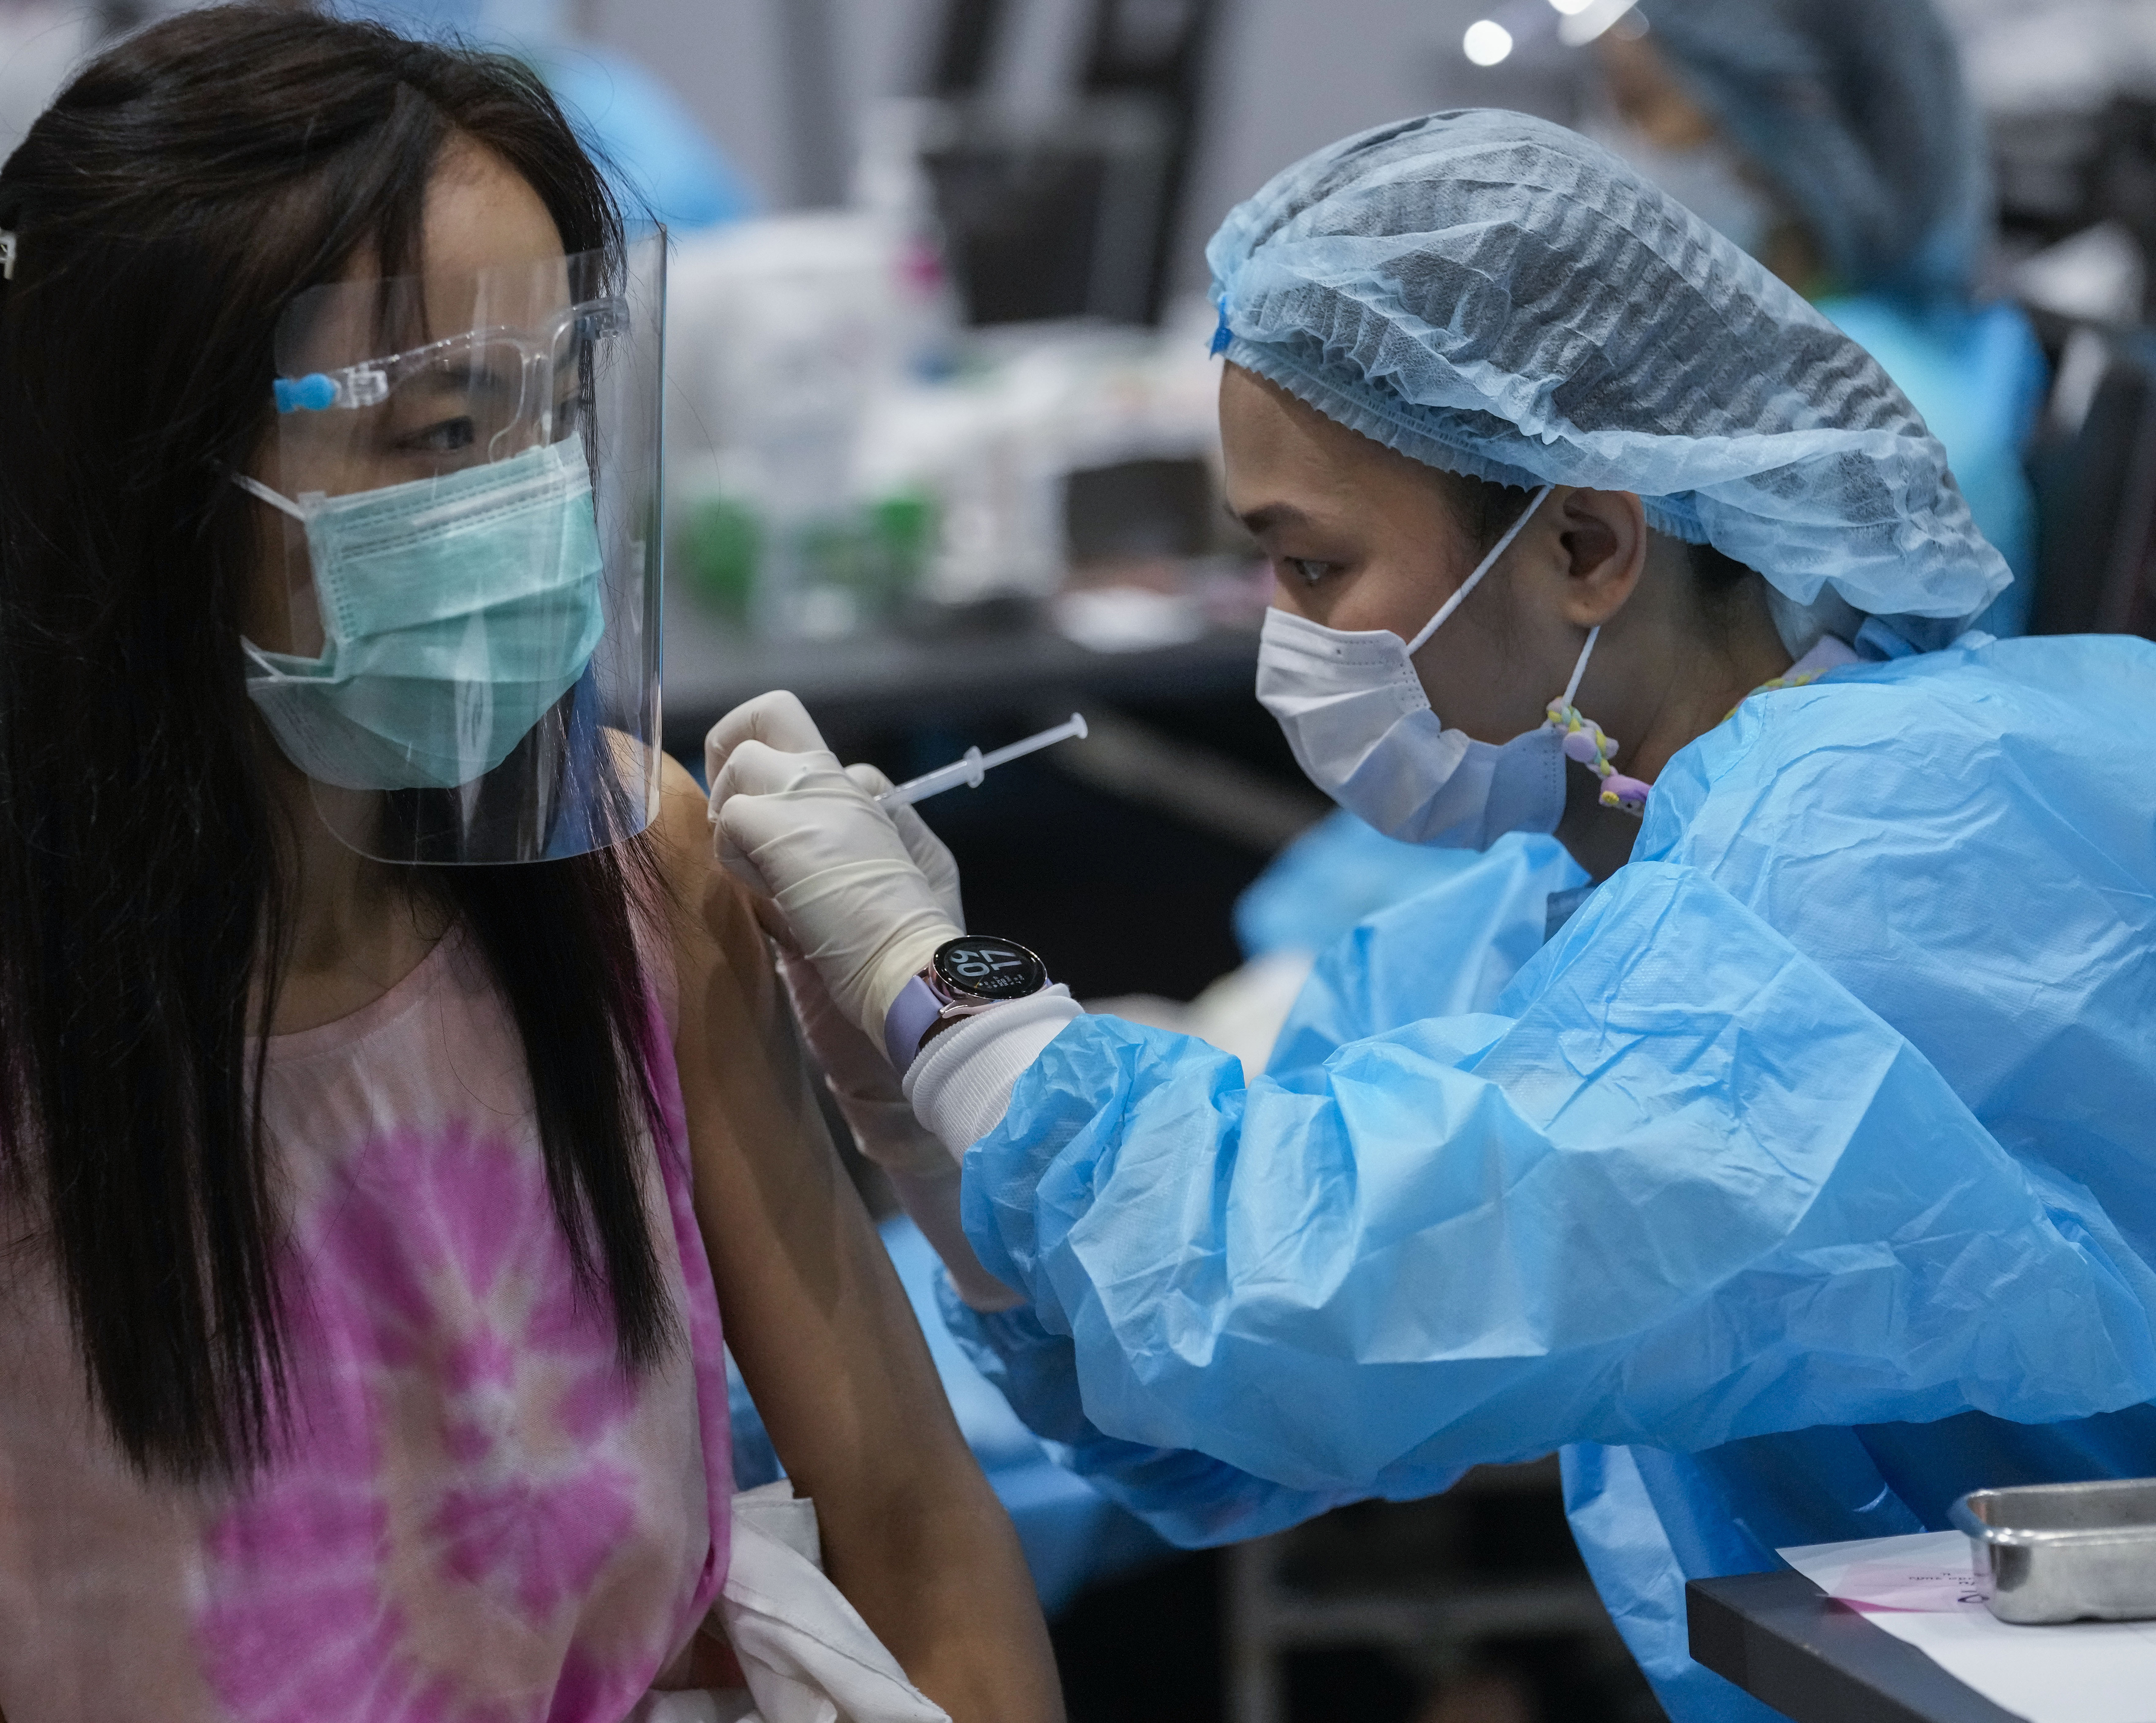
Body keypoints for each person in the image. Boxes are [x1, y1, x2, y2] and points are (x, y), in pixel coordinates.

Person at [0, 11, 1061, 1720]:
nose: (532, 504)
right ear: (144, 474)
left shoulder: (627, 877)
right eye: (443, 428)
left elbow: (919, 1532)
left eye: (555, 410)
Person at [707, 110, 2156, 1723]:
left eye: (1314, 569)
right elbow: (1211, 1418)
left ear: (1589, 544)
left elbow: (1307, 1292)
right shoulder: (1570, 889)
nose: (1284, 643)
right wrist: (920, 1132)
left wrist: (949, 992)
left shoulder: (1908, 843)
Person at [1593, 0, 2044, 637]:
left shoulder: (1874, 415)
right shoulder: (1823, 350)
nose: (1612, 148)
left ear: (1788, 114)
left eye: (1641, 104)